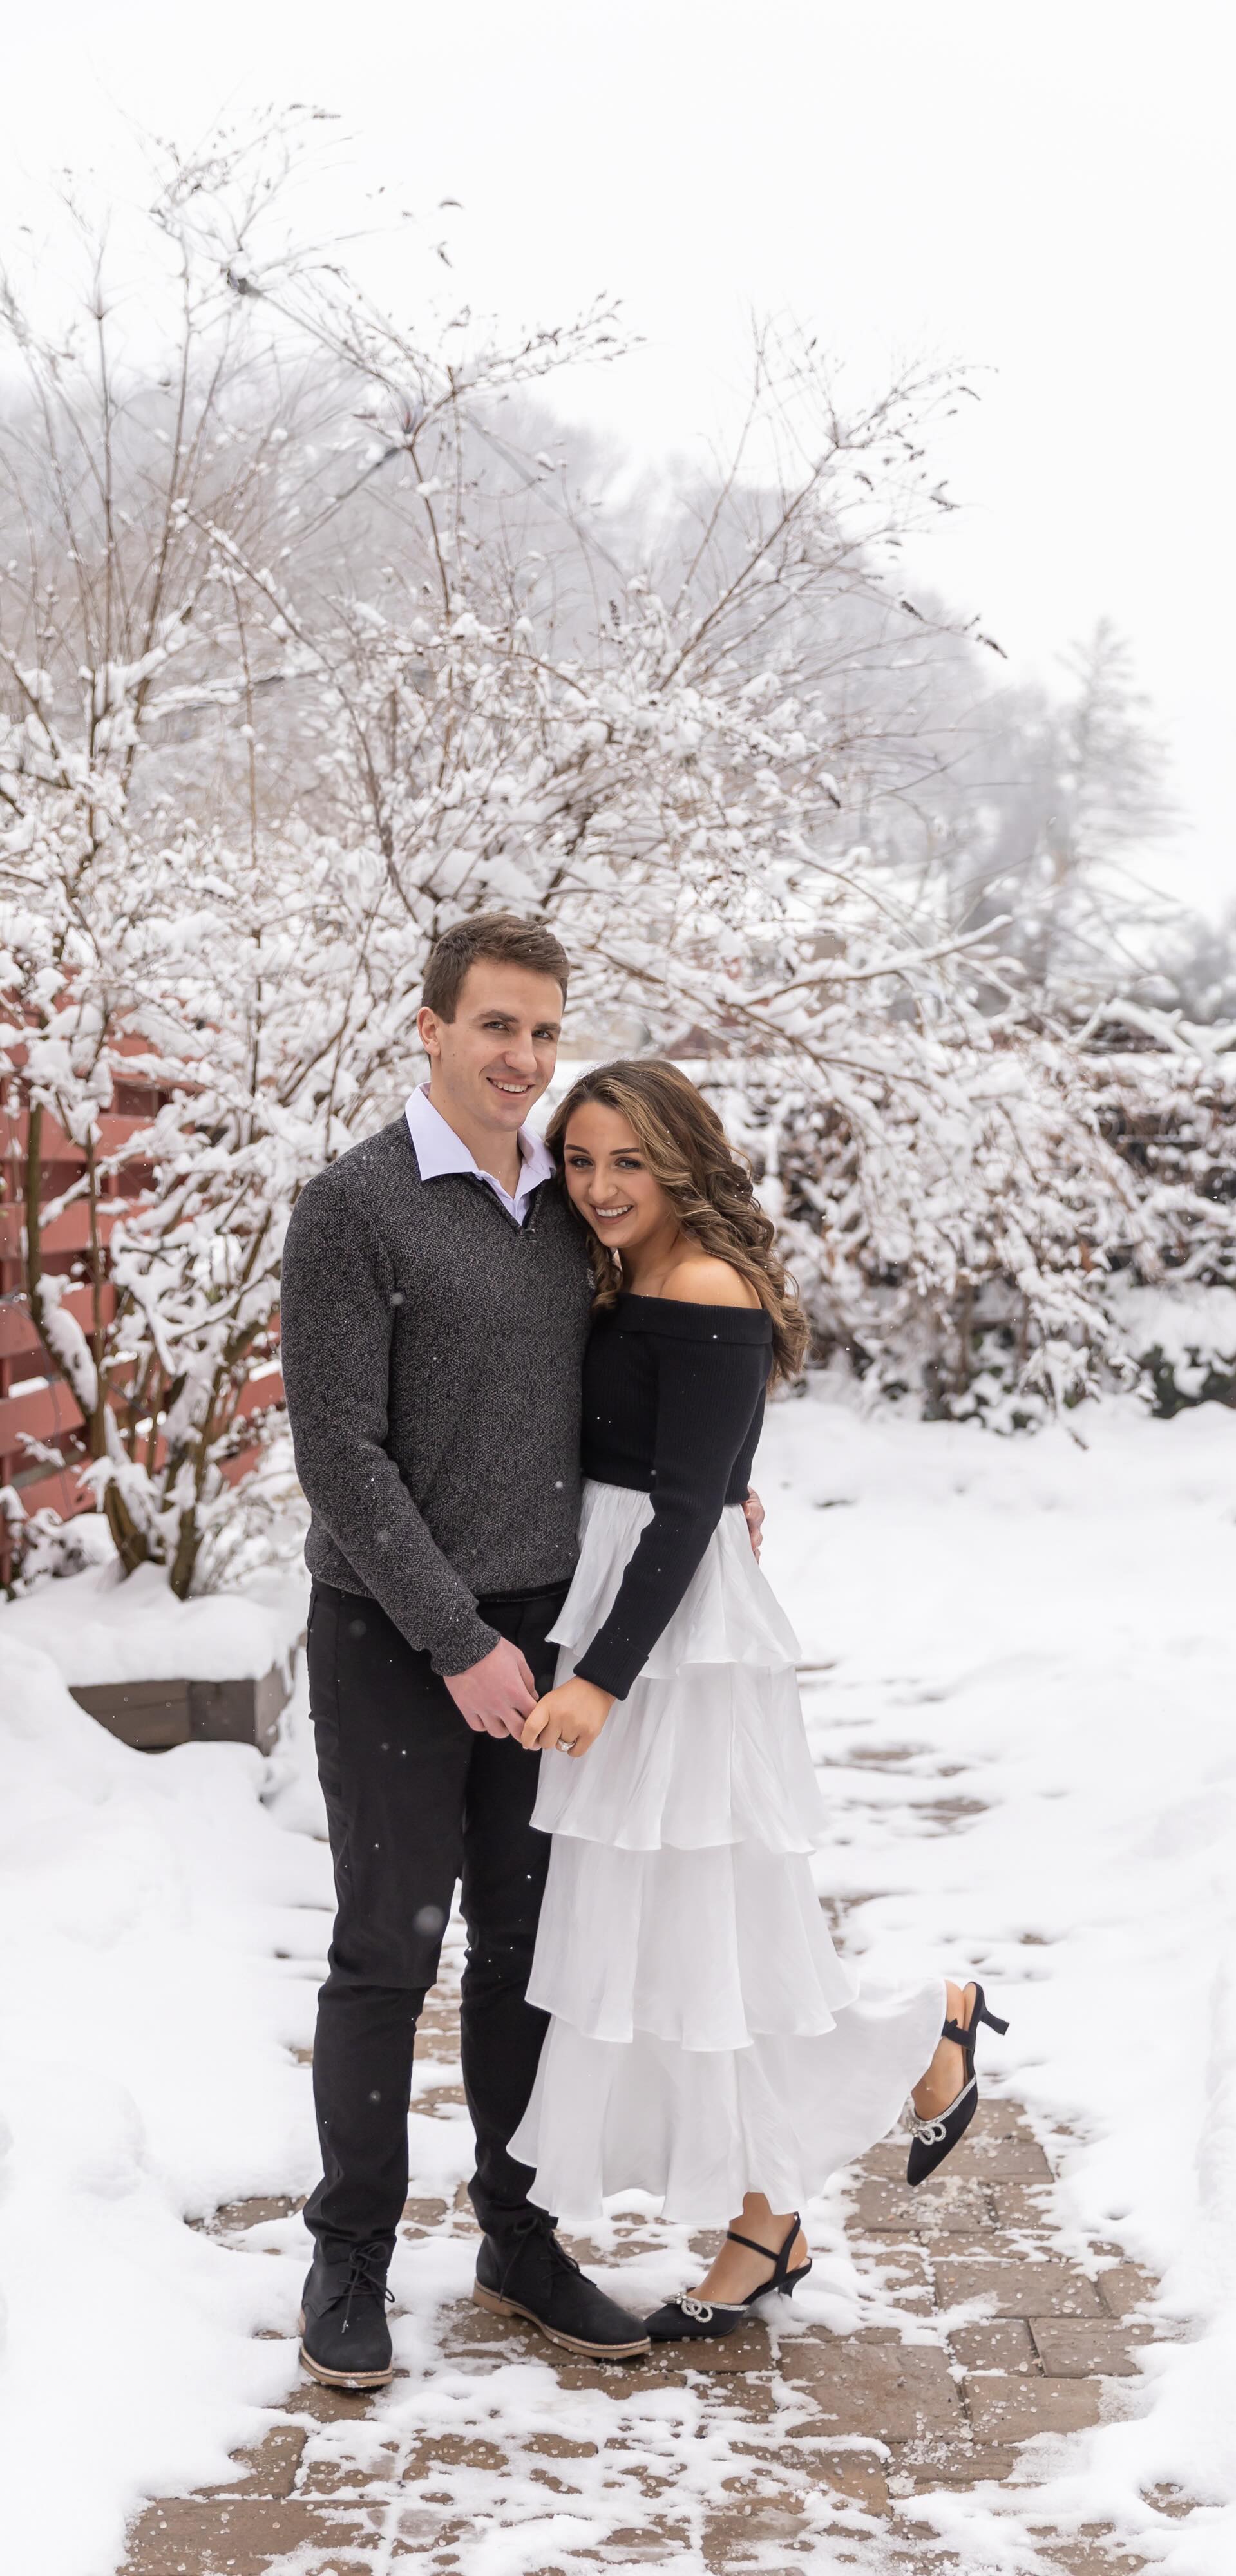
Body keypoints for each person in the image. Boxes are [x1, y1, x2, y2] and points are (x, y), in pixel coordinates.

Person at [506, 1060, 1007, 2339]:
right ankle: (767, 2205)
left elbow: (683, 1505)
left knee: (703, 1934)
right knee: (675, 1945)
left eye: (629, 1161)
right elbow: (700, 1473)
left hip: (674, 1652)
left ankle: (915, 2040)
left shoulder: (707, 1283)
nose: (602, 1186)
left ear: (680, 1161)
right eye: (580, 1160)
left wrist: (602, 1680)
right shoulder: (640, 1273)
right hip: (641, 1604)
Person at [280, 914, 659, 2388]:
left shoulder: (574, 1203)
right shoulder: (354, 1207)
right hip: (392, 1633)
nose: (525, 1059)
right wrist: (453, 1639)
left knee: (526, 1953)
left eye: (546, 1032)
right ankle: (351, 2249)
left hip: (543, 1637)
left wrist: (709, 1474)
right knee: (386, 1950)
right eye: (498, 1026)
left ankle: (520, 2232)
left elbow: (626, 1381)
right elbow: (341, 1453)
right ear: (430, 1027)